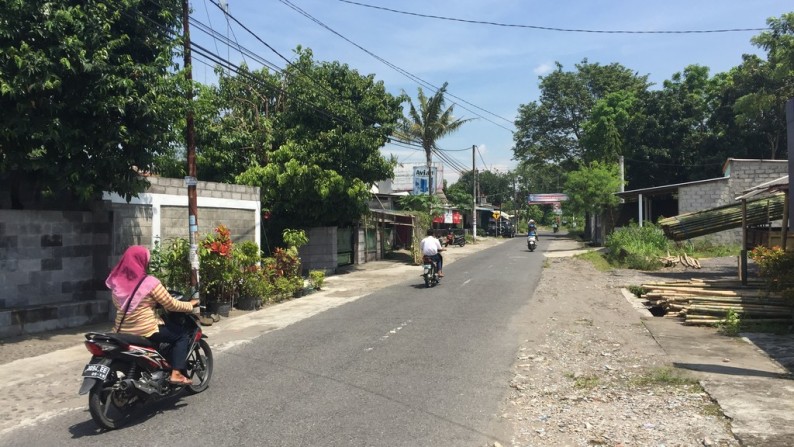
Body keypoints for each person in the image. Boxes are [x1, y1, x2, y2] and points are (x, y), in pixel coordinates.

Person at [106, 245, 200, 386]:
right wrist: (190, 304)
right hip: (146, 329)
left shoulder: (116, 282)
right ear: (143, 261)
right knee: (181, 335)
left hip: (122, 330)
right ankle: (176, 373)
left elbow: (120, 305)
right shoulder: (150, 283)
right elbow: (171, 304)